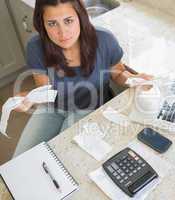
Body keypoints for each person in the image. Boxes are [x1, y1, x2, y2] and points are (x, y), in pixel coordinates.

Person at [13, 0, 152, 156]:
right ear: (42, 24)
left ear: (81, 16)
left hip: (91, 108)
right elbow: (44, 91)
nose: (62, 33)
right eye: (52, 24)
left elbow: (118, 73)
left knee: (61, 155)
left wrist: (134, 79)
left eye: (68, 21)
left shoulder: (104, 39)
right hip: (54, 108)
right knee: (21, 158)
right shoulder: (35, 46)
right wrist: (30, 98)